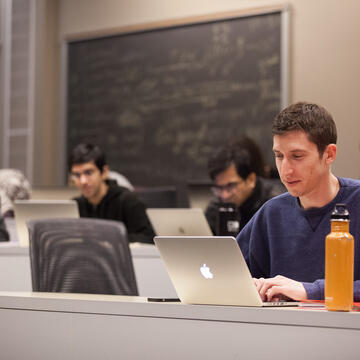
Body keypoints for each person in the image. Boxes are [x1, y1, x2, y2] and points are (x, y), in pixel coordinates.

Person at [236, 102, 360, 302]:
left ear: (329, 154)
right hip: (283, 329)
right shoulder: (272, 212)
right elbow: (230, 272)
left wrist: (309, 291)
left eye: (297, 156)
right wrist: (251, 285)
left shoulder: (356, 201)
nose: (286, 170)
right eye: (279, 156)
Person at [68, 143, 155, 244]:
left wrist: (110, 240)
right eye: (77, 175)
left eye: (88, 173)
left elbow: (148, 239)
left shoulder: (129, 201)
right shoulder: (75, 206)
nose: (83, 181)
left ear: (104, 172)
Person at [205, 138, 284, 235]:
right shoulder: (217, 204)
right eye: (219, 188)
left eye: (231, 186)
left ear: (250, 180)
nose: (224, 195)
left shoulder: (275, 203)